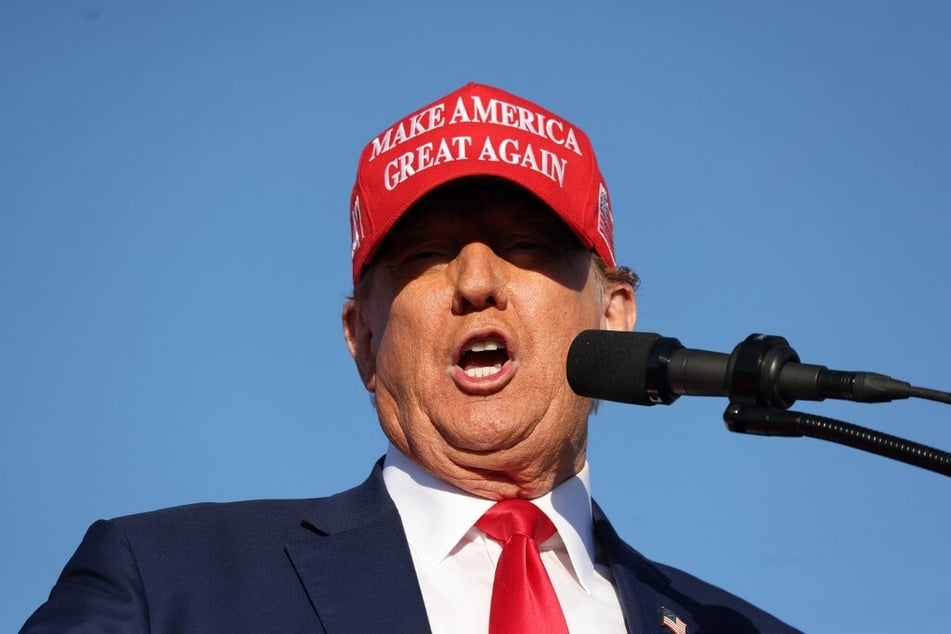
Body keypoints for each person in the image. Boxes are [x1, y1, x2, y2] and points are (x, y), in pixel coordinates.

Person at [23, 82, 800, 633]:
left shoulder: (738, 627)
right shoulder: (167, 584)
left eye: (525, 246)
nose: (473, 281)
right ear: (362, 337)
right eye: (425, 255)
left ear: (617, 317)